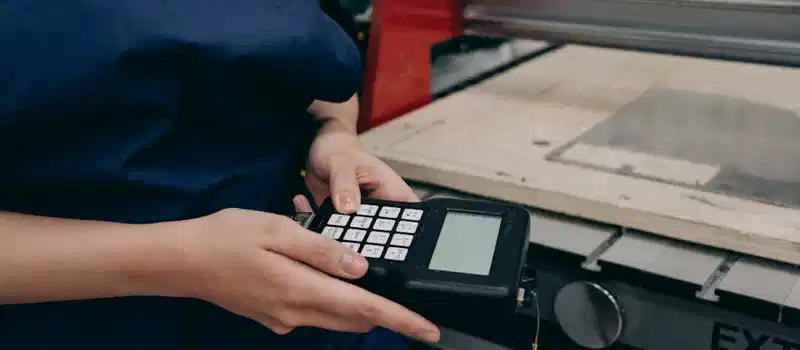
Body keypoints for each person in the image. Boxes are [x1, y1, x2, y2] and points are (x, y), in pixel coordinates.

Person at [0, 1, 441, 349]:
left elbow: (312, 59)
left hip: (299, 301)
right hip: (75, 319)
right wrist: (182, 260)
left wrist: (332, 133)